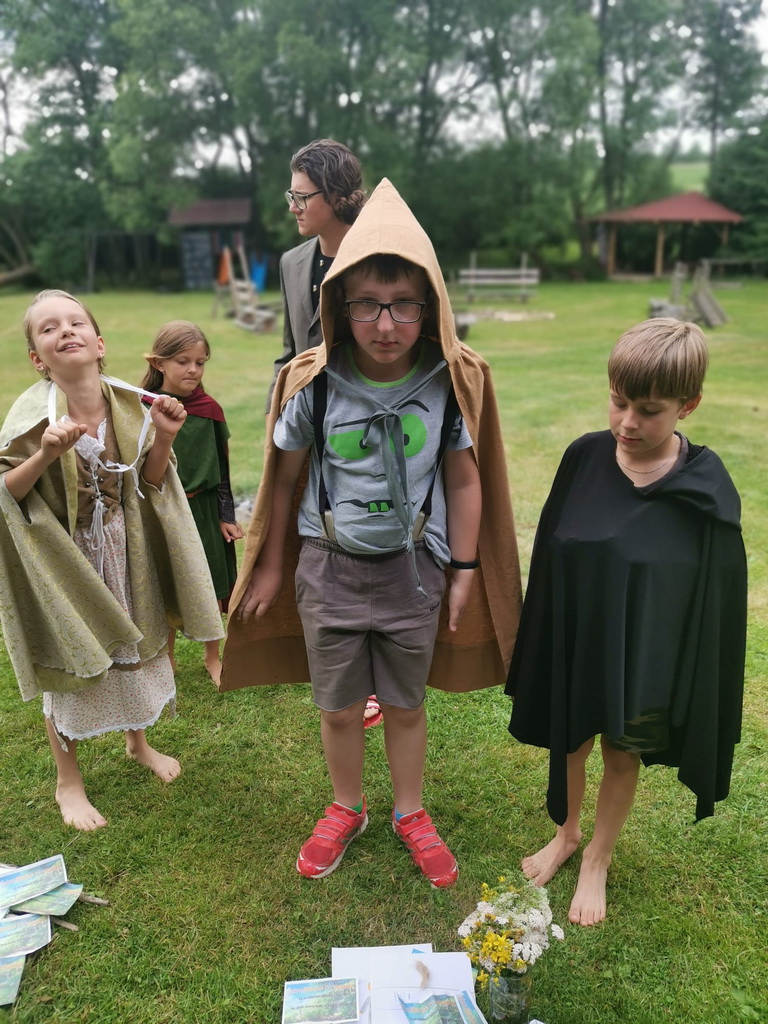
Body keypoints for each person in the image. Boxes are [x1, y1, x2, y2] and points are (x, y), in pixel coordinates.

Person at [221, 178, 521, 887]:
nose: (386, 325)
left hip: (413, 574)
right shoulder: (315, 384)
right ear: (340, 305)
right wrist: (270, 567)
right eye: (366, 304)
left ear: (429, 306)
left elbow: (465, 481)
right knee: (339, 707)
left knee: (407, 705)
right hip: (328, 570)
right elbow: (283, 481)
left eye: (404, 305)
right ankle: (346, 806)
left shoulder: (449, 385)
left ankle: (410, 811)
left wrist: (464, 572)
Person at [505, 319, 747, 926]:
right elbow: (554, 553)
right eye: (618, 402)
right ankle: (566, 835)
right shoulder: (583, 458)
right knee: (570, 741)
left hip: (645, 654)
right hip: (580, 640)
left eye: (649, 411)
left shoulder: (705, 488)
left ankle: (598, 858)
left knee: (621, 752)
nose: (627, 423)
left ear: (689, 405)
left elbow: (713, 596)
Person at [0, 290, 223, 830]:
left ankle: (137, 742)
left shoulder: (128, 405)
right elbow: (8, 491)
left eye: (75, 322)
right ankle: (68, 780)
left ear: (98, 344)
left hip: (127, 553)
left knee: (135, 643)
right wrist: (46, 453)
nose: (65, 331)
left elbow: (150, 484)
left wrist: (164, 438)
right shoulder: (31, 417)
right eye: (49, 328)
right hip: (67, 560)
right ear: (37, 357)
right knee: (73, 658)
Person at [141, 320, 244, 686]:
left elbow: (223, 467)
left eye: (200, 362)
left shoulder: (209, 409)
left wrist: (225, 515)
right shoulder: (142, 408)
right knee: (166, 582)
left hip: (203, 510)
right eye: (182, 361)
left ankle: (213, 656)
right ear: (159, 363)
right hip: (164, 510)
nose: (193, 370)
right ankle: (166, 658)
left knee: (211, 581)